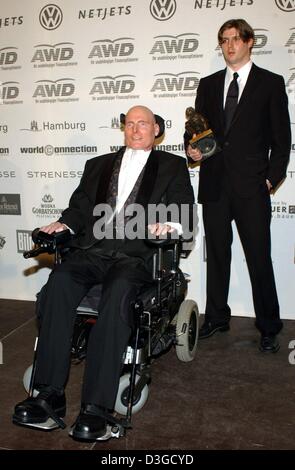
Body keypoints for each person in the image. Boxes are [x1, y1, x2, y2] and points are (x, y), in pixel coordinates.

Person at [13, 105, 195, 440]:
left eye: (143, 124)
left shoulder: (172, 166)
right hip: (93, 251)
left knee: (118, 294)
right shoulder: (97, 166)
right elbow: (78, 210)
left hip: (136, 255)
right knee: (59, 283)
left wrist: (165, 226)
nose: (135, 129)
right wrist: (63, 224)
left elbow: (183, 213)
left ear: (157, 130)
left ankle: (95, 407)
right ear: (123, 129)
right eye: (129, 124)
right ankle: (48, 396)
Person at [185, 19, 291, 353]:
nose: (229, 46)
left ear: (249, 42)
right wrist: (191, 149)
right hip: (215, 184)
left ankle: (269, 326)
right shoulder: (208, 84)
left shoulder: (270, 83)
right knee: (217, 256)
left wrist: (271, 178)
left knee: (259, 258)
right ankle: (217, 317)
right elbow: (197, 131)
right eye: (224, 40)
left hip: (251, 187)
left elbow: (282, 138)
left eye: (235, 39)